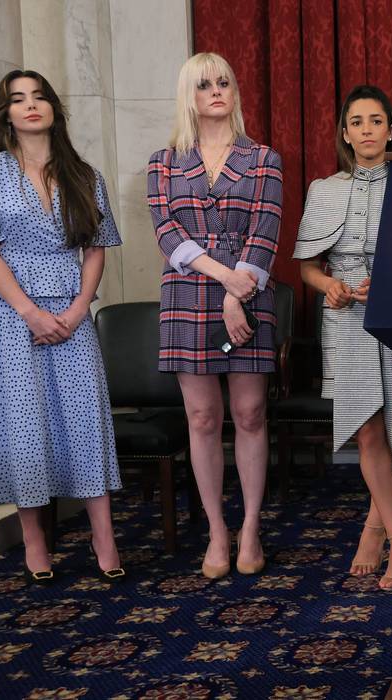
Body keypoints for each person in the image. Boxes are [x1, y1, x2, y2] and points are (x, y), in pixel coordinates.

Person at [0, 70, 125, 585]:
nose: (30, 106)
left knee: (85, 420)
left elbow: (95, 250)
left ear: (54, 108)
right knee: (24, 423)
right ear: (5, 113)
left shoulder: (85, 174)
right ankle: (35, 540)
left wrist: (79, 309)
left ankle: (104, 536)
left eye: (39, 97)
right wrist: (30, 311)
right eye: (17, 99)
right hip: (13, 315)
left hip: (73, 311)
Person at [147, 52, 283, 579]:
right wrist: (224, 280)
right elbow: (167, 234)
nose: (216, 91)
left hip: (249, 292)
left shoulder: (263, 158)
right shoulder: (163, 161)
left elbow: (266, 228)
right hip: (187, 294)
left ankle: (249, 526)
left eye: (224, 82)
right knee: (203, 419)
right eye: (204, 85)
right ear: (190, 95)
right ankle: (216, 531)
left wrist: (237, 291)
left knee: (249, 414)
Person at [293, 85, 392, 591]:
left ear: (391, 129)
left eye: (376, 121)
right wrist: (330, 286)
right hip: (346, 321)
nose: (367, 130)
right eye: (357, 122)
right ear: (345, 133)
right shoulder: (324, 189)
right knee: (368, 431)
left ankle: (375, 528)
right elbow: (306, 268)